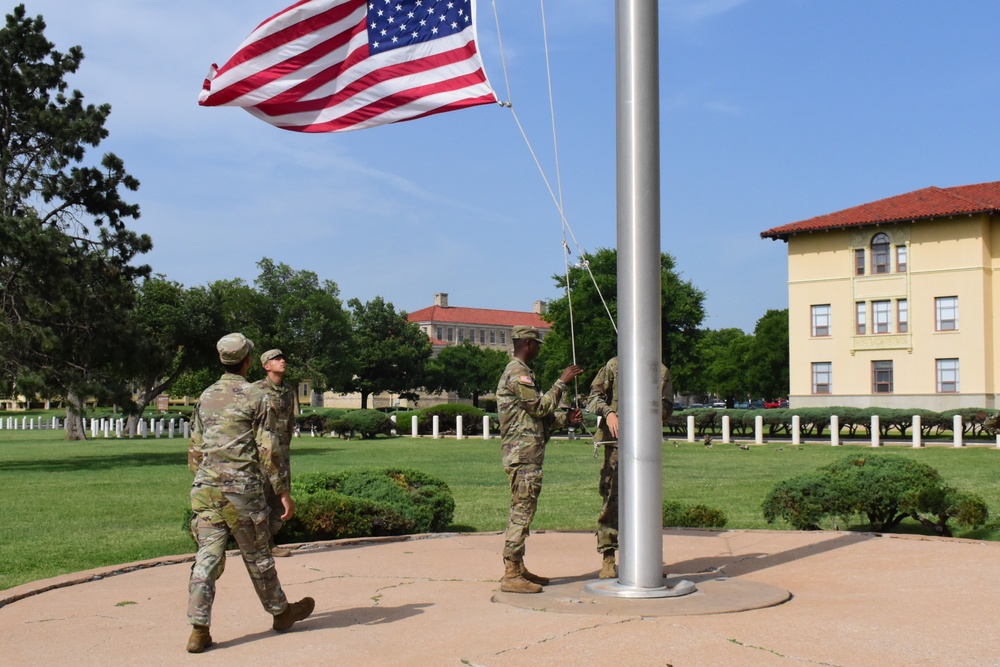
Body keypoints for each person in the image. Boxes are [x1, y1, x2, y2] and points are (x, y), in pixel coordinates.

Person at [186, 333, 314, 653]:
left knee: (206, 559)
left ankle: (199, 629)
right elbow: (268, 450)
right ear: (246, 362)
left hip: (206, 489)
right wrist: (283, 492)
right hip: (241, 490)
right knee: (258, 557)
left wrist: (206, 480)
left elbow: (195, 449)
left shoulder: (205, 396)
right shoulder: (255, 396)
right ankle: (282, 613)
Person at [496, 325, 584, 593]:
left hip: (527, 454)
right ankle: (511, 573)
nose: (538, 350)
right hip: (522, 456)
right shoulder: (517, 372)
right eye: (536, 345)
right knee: (522, 512)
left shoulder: (524, 373)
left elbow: (536, 419)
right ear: (526, 344)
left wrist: (565, 419)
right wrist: (562, 381)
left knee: (524, 510)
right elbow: (539, 407)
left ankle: (518, 567)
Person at [586, 356, 673, 579]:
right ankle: (608, 558)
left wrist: (647, 413)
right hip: (615, 445)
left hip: (644, 446)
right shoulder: (614, 366)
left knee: (646, 503)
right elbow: (592, 399)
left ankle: (646, 560)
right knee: (611, 500)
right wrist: (609, 413)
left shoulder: (660, 371)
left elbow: (667, 407)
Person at [255, 348, 295, 558]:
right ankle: (261, 545)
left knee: (279, 496)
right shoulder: (256, 390)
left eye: (283, 358)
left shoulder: (288, 390)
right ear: (266, 366)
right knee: (260, 496)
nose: (282, 361)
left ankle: (270, 541)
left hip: (282, 452)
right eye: (276, 359)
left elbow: (290, 422)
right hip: (262, 453)